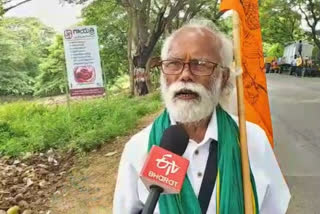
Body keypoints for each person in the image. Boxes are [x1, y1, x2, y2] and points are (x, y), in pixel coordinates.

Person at [113, 21, 291, 214]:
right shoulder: (138, 146)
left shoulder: (251, 140)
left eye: (200, 64)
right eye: (174, 64)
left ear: (223, 77)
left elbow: (275, 207)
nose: (185, 75)